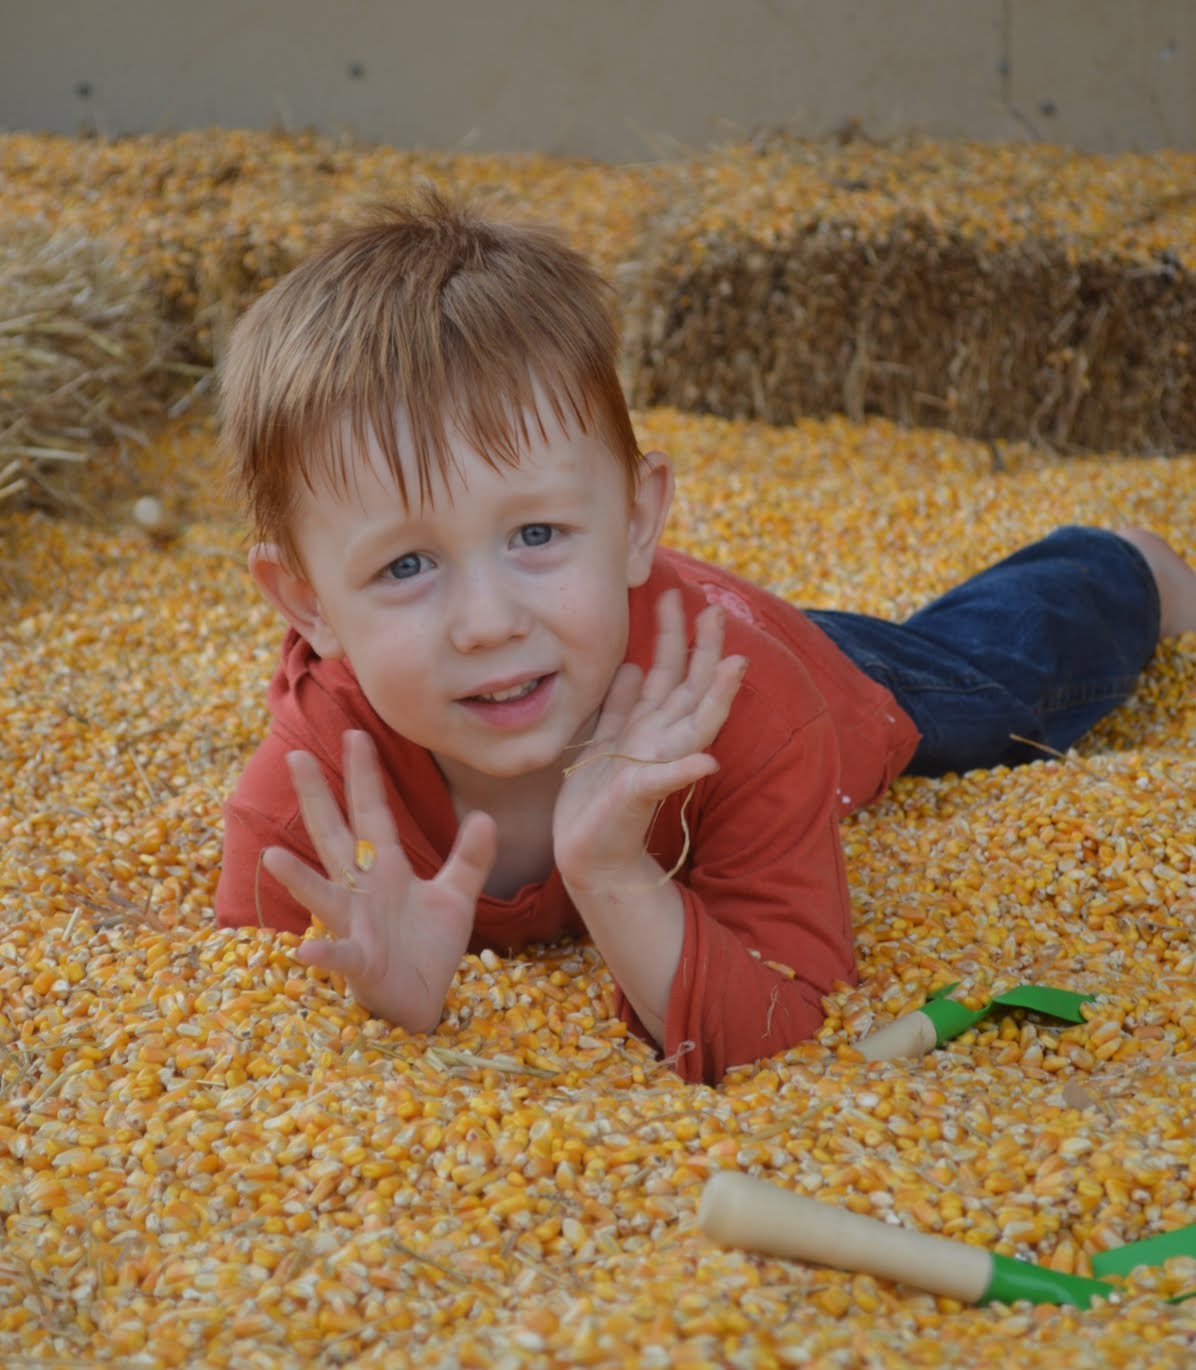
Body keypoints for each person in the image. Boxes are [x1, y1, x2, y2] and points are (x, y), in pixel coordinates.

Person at [214, 192, 1196, 1085]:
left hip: (780, 658)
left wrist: (610, 872)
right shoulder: (310, 798)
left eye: (536, 534)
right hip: (620, 629)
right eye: (405, 566)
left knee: (991, 689)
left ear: (637, 522)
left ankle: (1129, 565)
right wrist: (389, 1005)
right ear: (304, 601)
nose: (489, 620)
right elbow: (236, 1029)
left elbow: (789, 1019)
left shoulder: (744, 709)